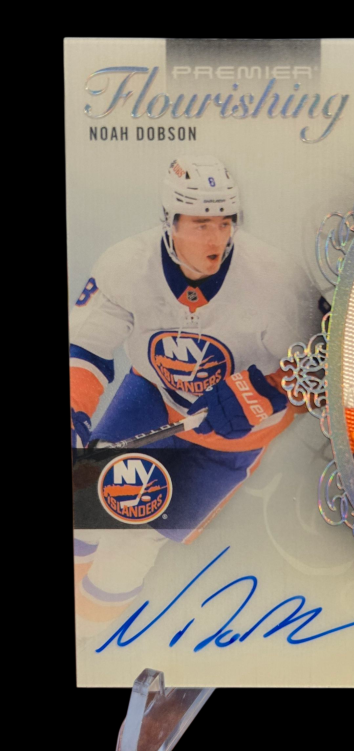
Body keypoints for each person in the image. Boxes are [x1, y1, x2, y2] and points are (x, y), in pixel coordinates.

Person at [71, 155, 319, 637]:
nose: (216, 238)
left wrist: (268, 391)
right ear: (170, 221)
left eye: (225, 222)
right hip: (151, 397)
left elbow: (327, 360)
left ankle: (91, 638)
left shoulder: (276, 279)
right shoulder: (127, 265)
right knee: (84, 506)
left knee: (134, 544)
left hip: (234, 438)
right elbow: (88, 345)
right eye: (201, 224)